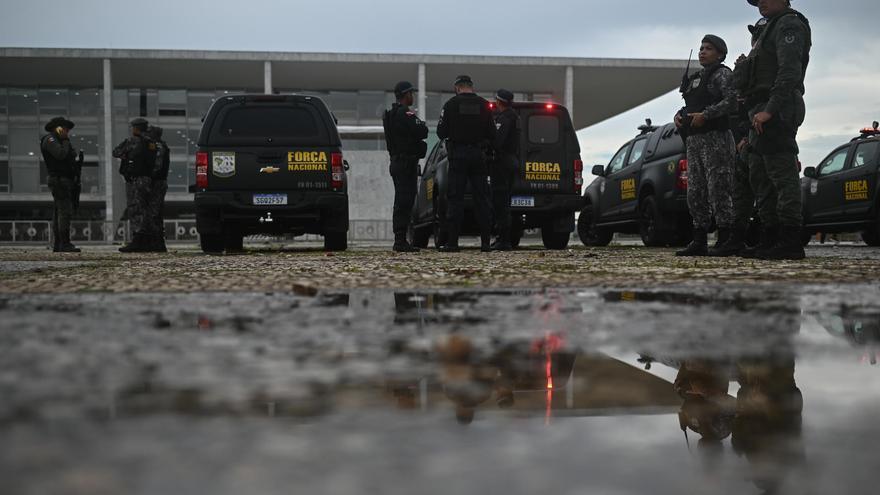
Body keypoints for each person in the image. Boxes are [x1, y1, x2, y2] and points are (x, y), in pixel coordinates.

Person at [735, 0, 811, 260]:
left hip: (778, 107)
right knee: (760, 175)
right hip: (759, 109)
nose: (760, 3)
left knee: (781, 175)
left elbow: (789, 72)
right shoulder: (766, 30)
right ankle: (769, 238)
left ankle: (790, 240)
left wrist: (771, 109)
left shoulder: (789, 24)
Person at [675, 35, 738, 257]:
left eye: (708, 48)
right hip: (694, 140)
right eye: (701, 48)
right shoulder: (696, 78)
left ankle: (726, 238)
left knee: (719, 189)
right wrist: (679, 116)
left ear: (720, 53)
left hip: (716, 139)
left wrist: (707, 115)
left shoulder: (723, 74)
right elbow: (690, 104)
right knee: (695, 191)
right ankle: (699, 239)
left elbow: (732, 101)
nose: (702, 52)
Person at [712, 20, 770, 257]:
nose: (755, 37)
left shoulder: (768, 62)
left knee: (764, 188)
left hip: (758, 132)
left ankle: (769, 238)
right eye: (754, 34)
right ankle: (736, 239)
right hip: (742, 137)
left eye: (759, 33)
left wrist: (746, 134)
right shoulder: (749, 62)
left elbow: (758, 100)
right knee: (740, 192)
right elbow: (739, 102)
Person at [436, 75, 496, 253]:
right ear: (471, 86)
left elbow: (441, 132)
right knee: (482, 199)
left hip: (458, 156)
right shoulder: (485, 105)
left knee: (455, 198)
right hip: (478, 155)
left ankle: (452, 243)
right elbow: (492, 133)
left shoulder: (450, 105)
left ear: (457, 87)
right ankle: (485, 243)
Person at [383, 81, 429, 253]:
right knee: (404, 201)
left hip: (397, 162)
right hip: (405, 163)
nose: (413, 96)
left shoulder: (391, 114)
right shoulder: (405, 113)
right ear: (405, 95)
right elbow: (422, 131)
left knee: (401, 201)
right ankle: (400, 240)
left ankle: (401, 238)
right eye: (411, 93)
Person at [113, 118, 156, 253]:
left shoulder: (132, 141)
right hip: (147, 180)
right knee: (145, 209)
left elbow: (116, 152)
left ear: (136, 128)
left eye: (133, 127)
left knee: (135, 209)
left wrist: (126, 156)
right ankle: (147, 241)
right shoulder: (151, 142)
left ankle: (137, 241)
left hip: (135, 180)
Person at [40, 116, 82, 253]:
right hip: (59, 180)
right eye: (65, 129)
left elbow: (72, 154)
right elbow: (61, 154)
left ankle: (59, 243)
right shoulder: (51, 139)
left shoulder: (60, 140)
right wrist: (65, 140)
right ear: (57, 128)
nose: (67, 131)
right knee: (64, 212)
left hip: (65, 179)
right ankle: (64, 243)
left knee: (60, 212)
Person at [490, 89, 520, 251]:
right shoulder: (514, 116)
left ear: (499, 101)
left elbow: (498, 140)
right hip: (510, 161)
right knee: (504, 202)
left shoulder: (505, 118)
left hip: (502, 162)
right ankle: (503, 238)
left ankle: (504, 240)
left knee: (500, 202)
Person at [146, 125, 171, 253]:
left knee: (154, 214)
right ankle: (158, 243)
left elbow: (157, 166)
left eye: (149, 133)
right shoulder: (161, 145)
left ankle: (157, 243)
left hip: (157, 183)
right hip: (160, 182)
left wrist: (148, 176)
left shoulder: (159, 147)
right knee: (156, 214)